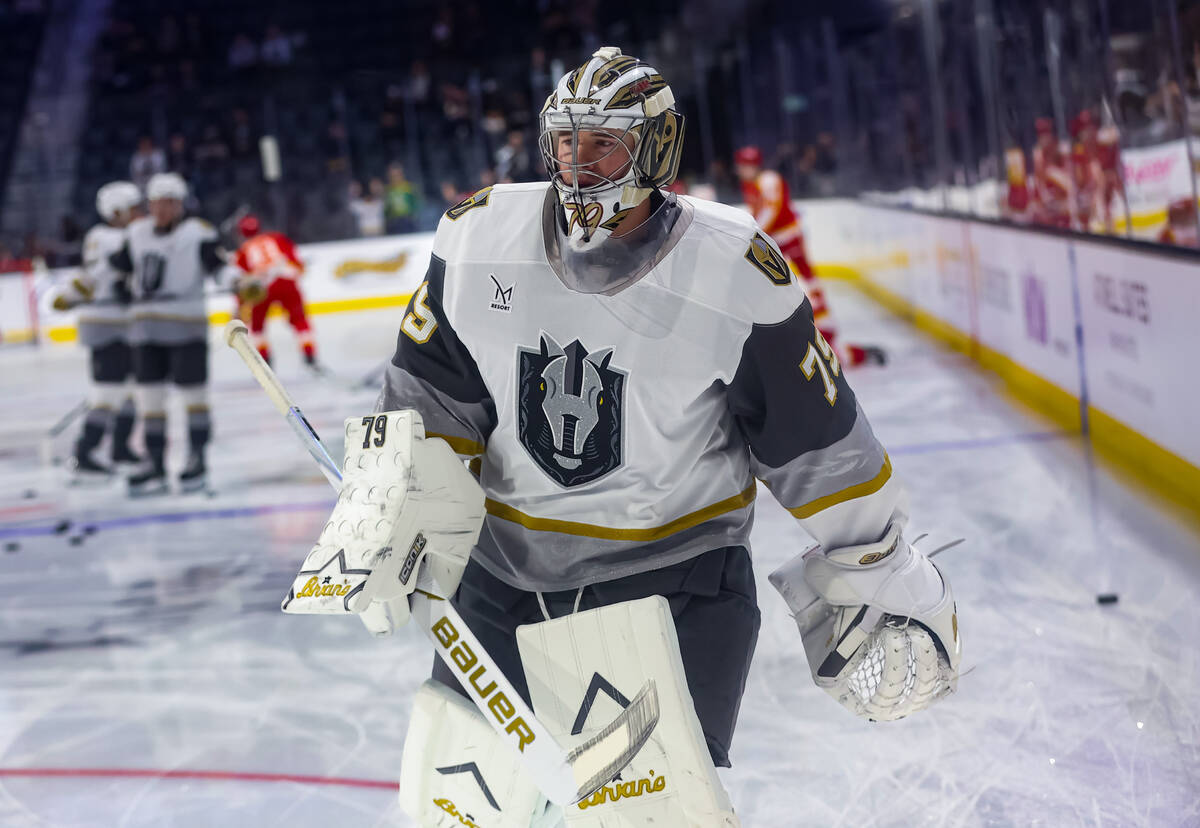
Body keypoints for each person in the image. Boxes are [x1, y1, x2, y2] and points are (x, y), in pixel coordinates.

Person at [289, 47, 962, 826]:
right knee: (457, 814)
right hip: (501, 585)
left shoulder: (733, 270)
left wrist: (874, 567)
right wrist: (389, 509)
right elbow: (433, 401)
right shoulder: (478, 238)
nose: (578, 165)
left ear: (657, 148)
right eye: (567, 142)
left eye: (603, 142)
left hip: (669, 591)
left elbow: (814, 440)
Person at [111, 172, 225, 495]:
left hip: (186, 325)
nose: (162, 209)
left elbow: (217, 265)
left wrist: (242, 281)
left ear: (180, 205)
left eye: (170, 203)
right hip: (146, 329)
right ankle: (155, 463)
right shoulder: (136, 233)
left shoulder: (197, 232)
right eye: (157, 203)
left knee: (194, 397)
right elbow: (119, 271)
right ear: (149, 204)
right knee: (151, 400)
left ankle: (196, 458)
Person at [734, 145, 885, 367]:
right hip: (779, 246)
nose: (743, 169)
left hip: (788, 245)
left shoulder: (768, 180)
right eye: (742, 165)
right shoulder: (752, 184)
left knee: (803, 286)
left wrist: (753, 231)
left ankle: (840, 342)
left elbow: (770, 211)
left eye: (747, 164)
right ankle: (832, 340)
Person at [50, 181, 144, 478]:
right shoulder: (109, 237)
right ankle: (85, 450)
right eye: (132, 208)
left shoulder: (106, 235)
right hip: (106, 324)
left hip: (121, 323)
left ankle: (120, 446)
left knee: (132, 390)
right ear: (115, 211)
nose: (138, 213)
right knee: (109, 392)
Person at [232, 213, 317, 366]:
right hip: (287, 282)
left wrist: (239, 307)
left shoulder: (242, 252)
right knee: (299, 319)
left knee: (257, 325)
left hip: (261, 288)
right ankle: (309, 354)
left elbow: (242, 284)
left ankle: (264, 361)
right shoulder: (277, 238)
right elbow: (296, 262)